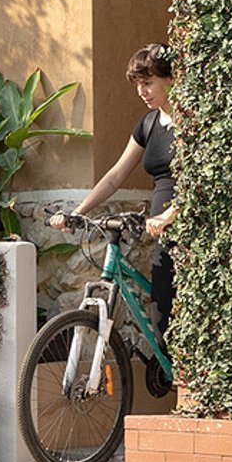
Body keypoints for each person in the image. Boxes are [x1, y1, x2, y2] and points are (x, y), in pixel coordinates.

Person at [47, 43, 178, 342]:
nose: (142, 92)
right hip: (162, 232)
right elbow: (115, 176)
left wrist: (171, 214)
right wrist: (78, 213)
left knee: (174, 314)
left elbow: (200, 179)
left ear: (170, 79)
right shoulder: (148, 124)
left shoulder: (190, 123)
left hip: (184, 225)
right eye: (138, 85)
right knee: (161, 316)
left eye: (148, 83)